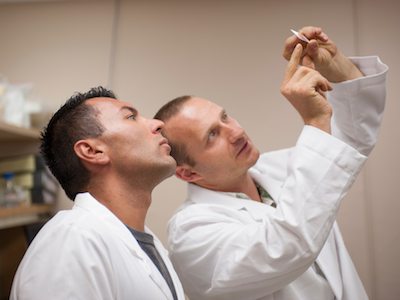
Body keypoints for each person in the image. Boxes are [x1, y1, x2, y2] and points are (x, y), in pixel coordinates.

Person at [154, 26, 388, 300]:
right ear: (187, 172)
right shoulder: (191, 234)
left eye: (225, 117)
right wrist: (313, 121)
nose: (237, 131)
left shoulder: (277, 168)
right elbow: (286, 246)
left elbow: (349, 140)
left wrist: (339, 68)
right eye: (213, 135)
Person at [10, 87, 186, 300]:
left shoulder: (147, 244)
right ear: (92, 151)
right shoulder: (71, 240)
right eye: (131, 117)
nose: (158, 124)